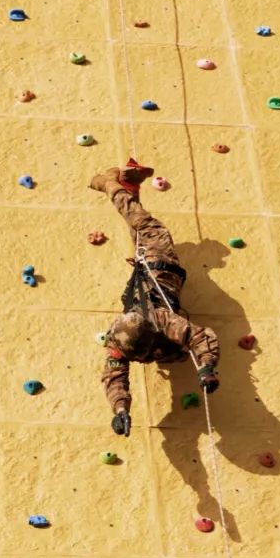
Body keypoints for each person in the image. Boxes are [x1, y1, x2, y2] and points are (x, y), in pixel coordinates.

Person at [89, 159, 220, 437]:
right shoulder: (159, 321)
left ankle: (121, 183)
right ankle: (114, 185)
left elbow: (114, 379)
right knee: (146, 227)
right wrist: (207, 367)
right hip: (158, 266)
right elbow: (200, 337)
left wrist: (120, 410)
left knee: (141, 230)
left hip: (157, 272)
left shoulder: (125, 342)